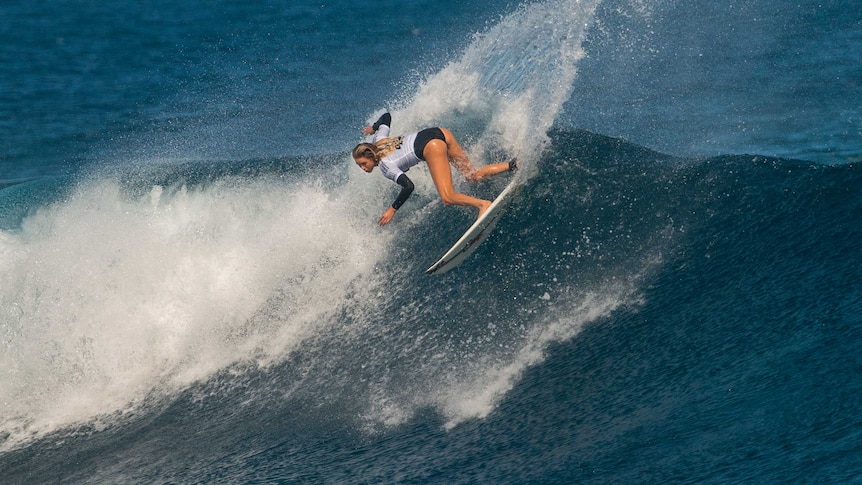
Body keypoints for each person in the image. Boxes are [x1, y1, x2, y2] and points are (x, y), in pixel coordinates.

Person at [352, 112, 516, 226]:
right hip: (439, 132)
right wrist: (374, 127)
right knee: (472, 175)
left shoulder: (385, 166)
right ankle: (513, 165)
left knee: (448, 197)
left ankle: (483, 205)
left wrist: (392, 209)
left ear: (371, 157)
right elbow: (386, 117)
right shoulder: (379, 139)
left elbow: (409, 186)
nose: (363, 168)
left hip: (431, 146)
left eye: (363, 163)